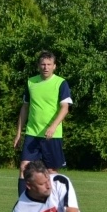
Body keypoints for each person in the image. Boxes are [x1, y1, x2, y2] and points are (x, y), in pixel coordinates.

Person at [14, 51, 72, 196]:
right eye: (43, 64)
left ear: (54, 66)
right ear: (38, 66)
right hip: (33, 133)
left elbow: (65, 108)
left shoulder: (61, 83)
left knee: (51, 172)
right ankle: (23, 204)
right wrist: (19, 133)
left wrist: (53, 127)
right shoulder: (31, 82)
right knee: (24, 167)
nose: (45, 67)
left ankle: (50, 205)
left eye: (49, 64)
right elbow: (25, 108)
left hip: (52, 135)